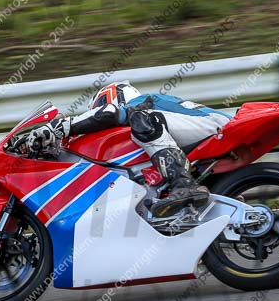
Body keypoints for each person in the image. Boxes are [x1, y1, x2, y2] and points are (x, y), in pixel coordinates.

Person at [25, 81, 231, 217]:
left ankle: (184, 185)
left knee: (143, 120)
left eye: (98, 106)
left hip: (215, 125)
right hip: (209, 130)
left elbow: (108, 113)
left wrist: (59, 128)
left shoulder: (139, 103)